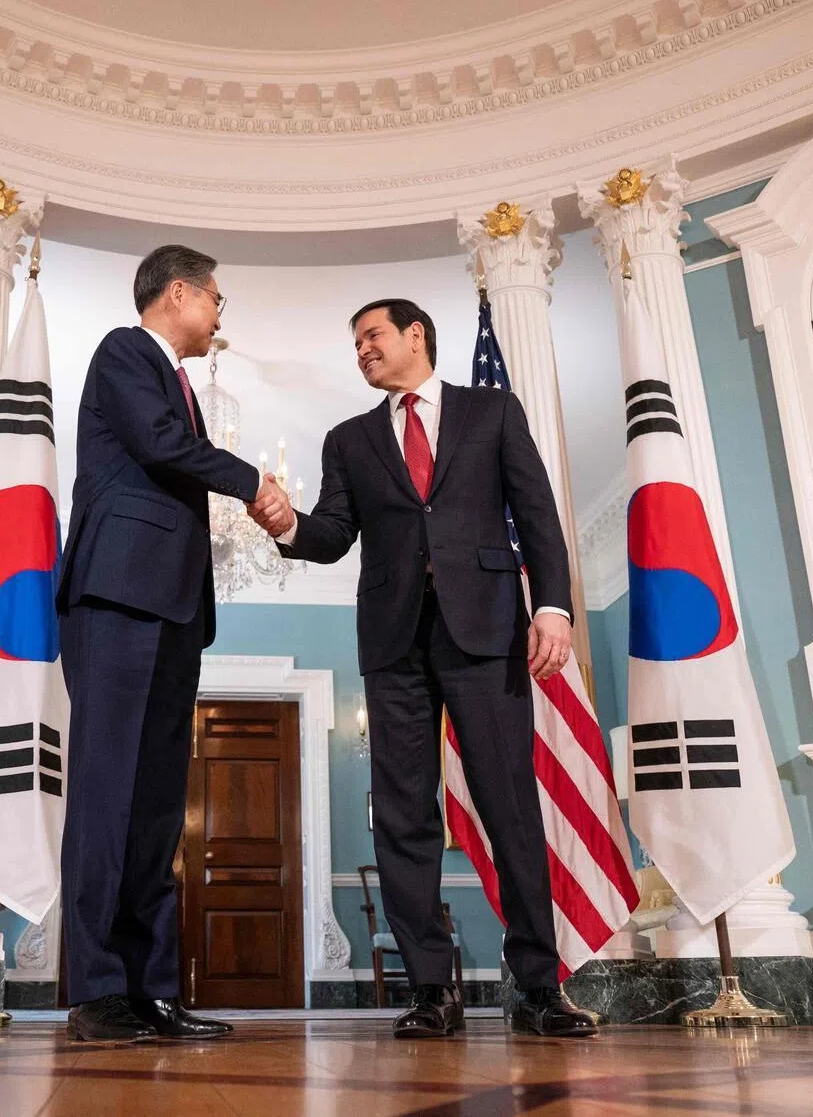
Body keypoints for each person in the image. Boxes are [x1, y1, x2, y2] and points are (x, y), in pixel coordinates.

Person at [249, 299, 596, 1039]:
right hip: (394, 639)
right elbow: (335, 534)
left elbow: (535, 513)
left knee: (510, 806)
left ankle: (538, 988)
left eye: (371, 336)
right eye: (356, 343)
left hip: (488, 631)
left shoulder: (492, 411)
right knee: (403, 816)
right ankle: (431, 992)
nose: (362, 351)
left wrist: (554, 608)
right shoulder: (348, 439)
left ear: (416, 336)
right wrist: (287, 525)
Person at [56, 245, 292, 1043]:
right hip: (117, 596)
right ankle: (96, 991)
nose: (221, 314)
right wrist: (250, 478)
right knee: (106, 795)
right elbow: (159, 444)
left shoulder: (183, 382)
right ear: (179, 292)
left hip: (174, 609)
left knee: (158, 807)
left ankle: (151, 990)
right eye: (216, 298)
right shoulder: (127, 351)